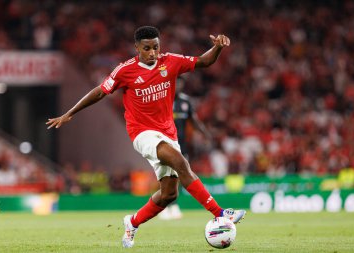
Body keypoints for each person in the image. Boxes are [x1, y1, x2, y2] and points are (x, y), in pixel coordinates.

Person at [46, 26, 246, 248]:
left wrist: (217, 48)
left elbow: (204, 62)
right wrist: (69, 113)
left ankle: (132, 222)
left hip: (168, 133)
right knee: (181, 162)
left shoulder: (170, 61)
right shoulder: (125, 70)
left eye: (156, 47)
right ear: (137, 48)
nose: (152, 53)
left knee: (169, 194)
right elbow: (100, 91)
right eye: (147, 48)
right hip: (142, 133)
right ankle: (220, 213)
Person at [158, 77, 212, 220]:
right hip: (165, 146)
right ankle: (166, 206)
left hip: (181, 146)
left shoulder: (185, 102)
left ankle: (173, 205)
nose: (178, 86)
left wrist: (205, 134)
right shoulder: (162, 99)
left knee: (181, 176)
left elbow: (194, 120)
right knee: (166, 176)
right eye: (176, 84)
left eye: (180, 84)